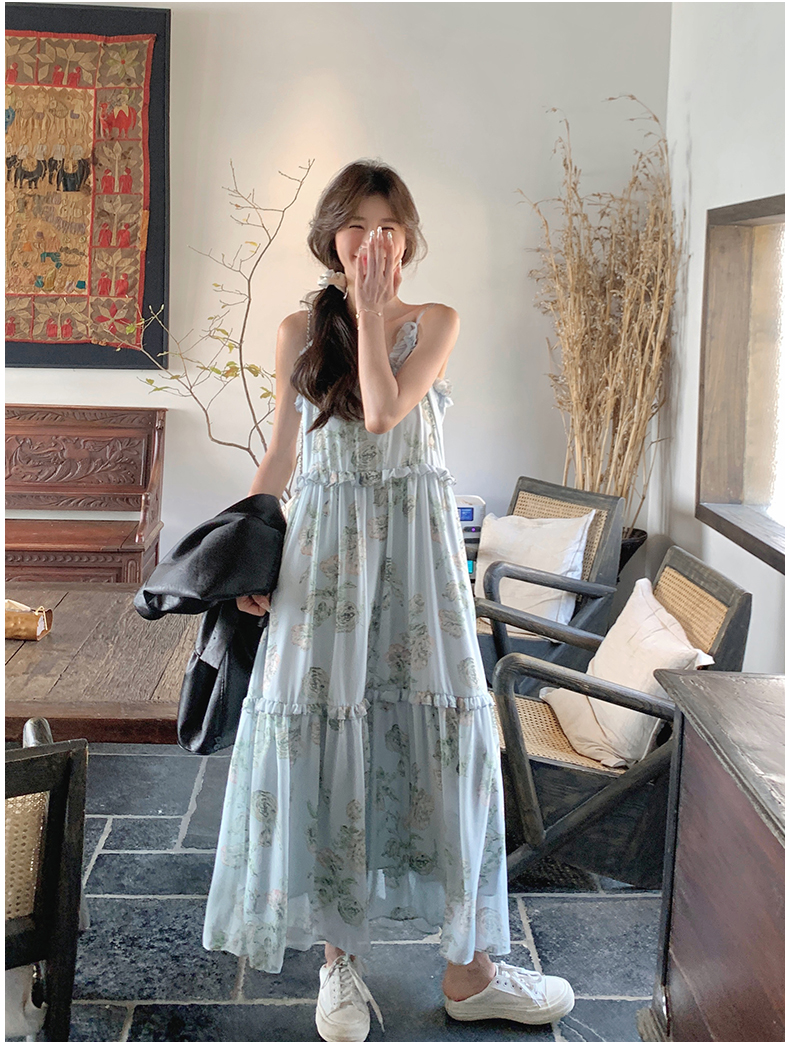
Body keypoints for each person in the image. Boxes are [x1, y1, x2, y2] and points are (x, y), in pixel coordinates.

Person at [202, 160, 574, 1041]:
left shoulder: (436, 321)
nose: (373, 241)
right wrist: (249, 556)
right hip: (323, 564)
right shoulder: (297, 330)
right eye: (357, 226)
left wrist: (372, 316)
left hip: (416, 568)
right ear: (329, 237)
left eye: (389, 227)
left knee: (451, 746)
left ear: (408, 240)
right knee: (323, 741)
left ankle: (471, 972)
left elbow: (381, 412)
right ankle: (338, 964)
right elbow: (282, 456)